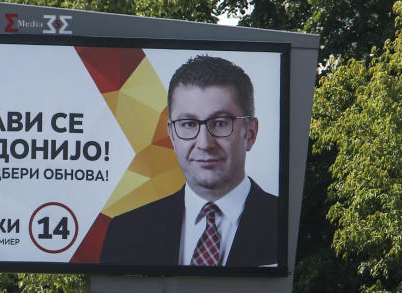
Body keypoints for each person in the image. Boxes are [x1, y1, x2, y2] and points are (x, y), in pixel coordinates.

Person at [99, 55, 279, 267]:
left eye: (220, 123)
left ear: (250, 133)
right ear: (172, 136)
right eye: (188, 124)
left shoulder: (290, 225)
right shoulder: (125, 232)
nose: (204, 143)